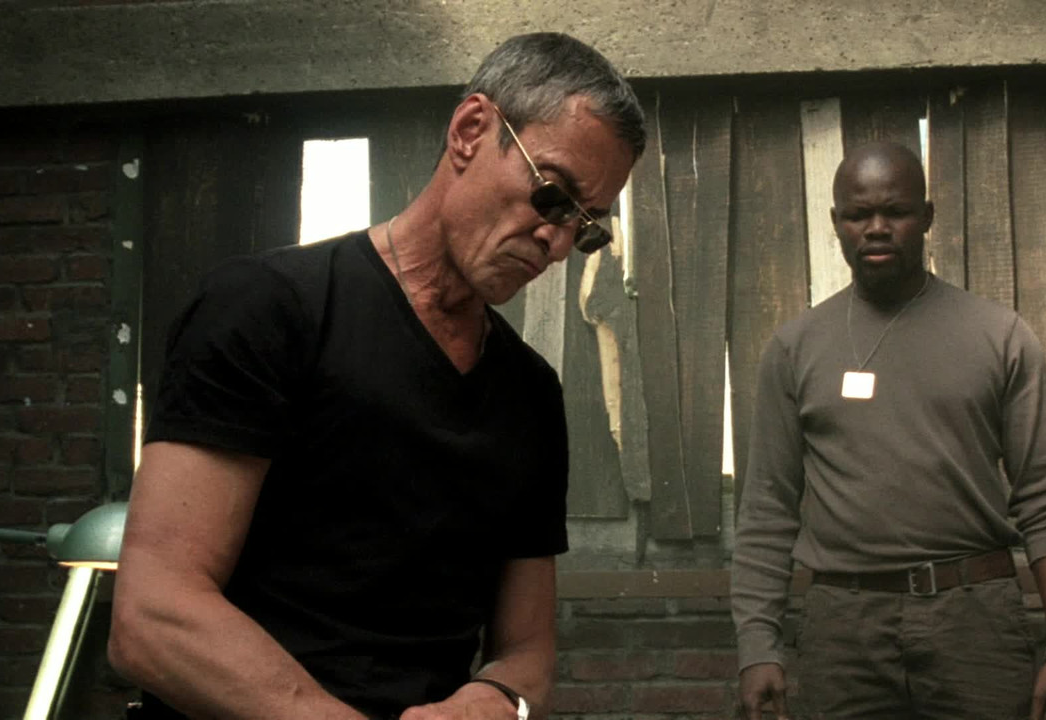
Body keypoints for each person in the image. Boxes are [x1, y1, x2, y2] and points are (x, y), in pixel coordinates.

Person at [107, 32, 645, 720]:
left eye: (587, 227)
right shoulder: (267, 310)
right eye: (553, 196)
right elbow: (154, 615)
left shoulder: (531, 393)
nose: (559, 243)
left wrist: (495, 701)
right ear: (471, 131)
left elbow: (527, 653)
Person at [731, 141, 1046, 720]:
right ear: (836, 223)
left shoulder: (999, 336)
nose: (876, 228)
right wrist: (757, 647)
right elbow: (768, 509)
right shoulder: (795, 348)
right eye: (858, 214)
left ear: (926, 216)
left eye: (895, 211)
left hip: (974, 622)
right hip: (843, 630)